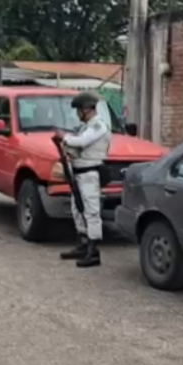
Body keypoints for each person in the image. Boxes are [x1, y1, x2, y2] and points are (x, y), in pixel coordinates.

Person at [53, 92, 111, 268]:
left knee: (91, 212)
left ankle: (93, 252)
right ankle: (83, 244)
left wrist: (64, 137)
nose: (77, 114)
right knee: (77, 209)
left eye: (78, 110)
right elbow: (75, 146)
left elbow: (82, 142)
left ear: (86, 109)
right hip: (79, 173)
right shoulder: (84, 127)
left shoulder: (98, 126)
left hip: (90, 174)